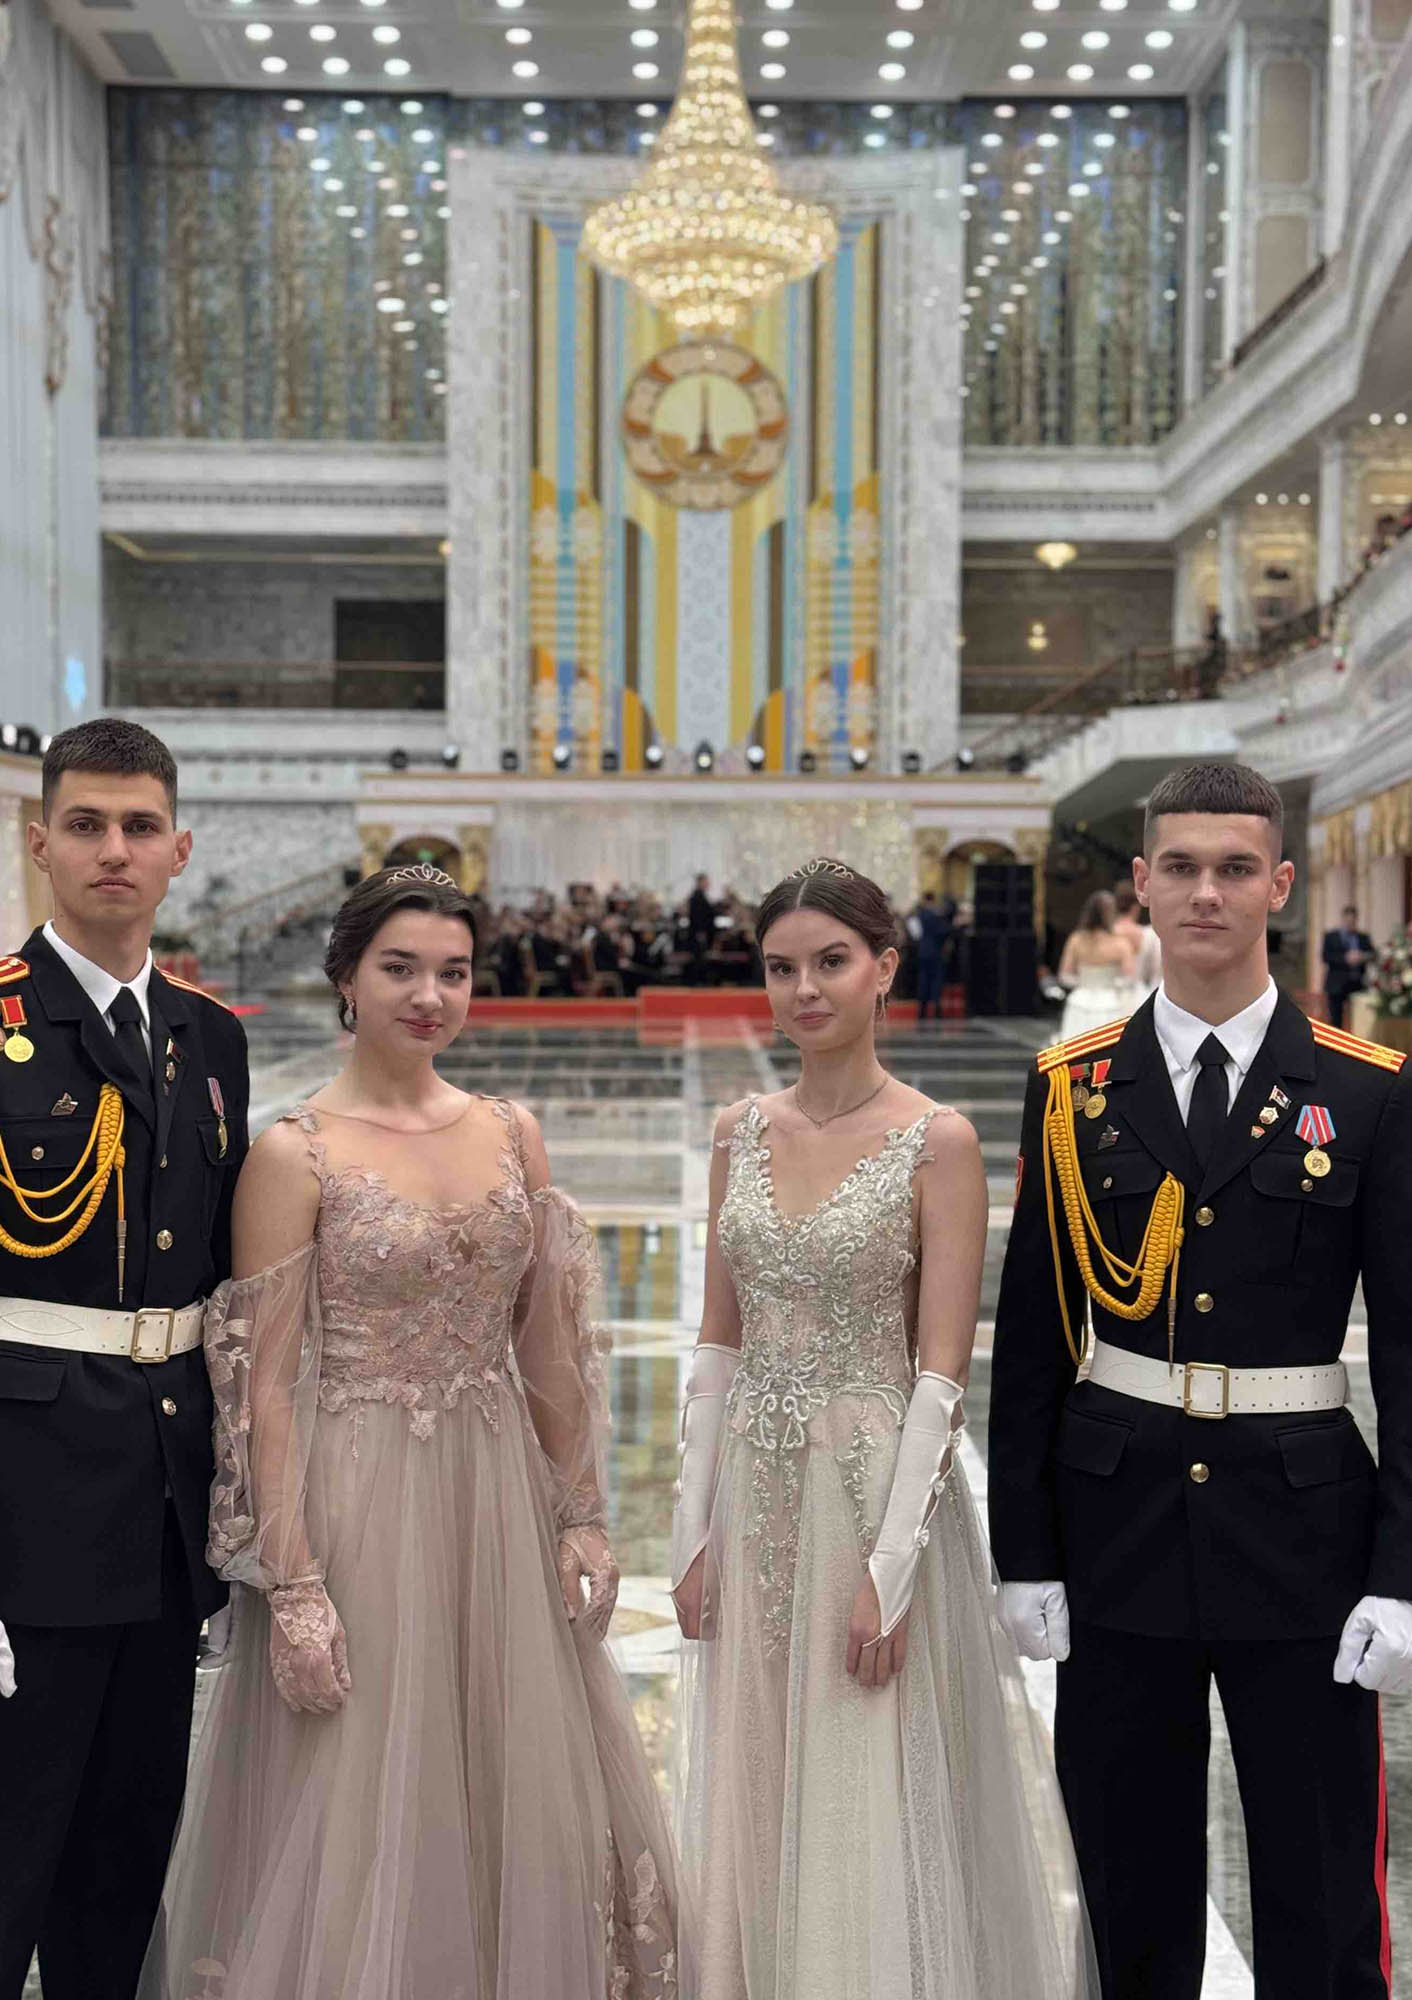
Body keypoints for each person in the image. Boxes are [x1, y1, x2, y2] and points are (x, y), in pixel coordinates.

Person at [149, 865, 679, 1997]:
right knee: (369, 1784)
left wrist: (582, 1512)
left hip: (497, 1496)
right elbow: (265, 1386)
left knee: (507, 1770)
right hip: (357, 1504)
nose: (430, 995)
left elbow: (548, 1343)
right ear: (347, 978)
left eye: (453, 971)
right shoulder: (295, 1152)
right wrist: (293, 1584)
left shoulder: (510, 1131)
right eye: (400, 968)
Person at [989, 761, 1412, 1999]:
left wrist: (1403, 1573)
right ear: (1141, 884)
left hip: (1308, 1535)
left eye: (1234, 867)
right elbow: (1034, 1337)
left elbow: (1408, 1350)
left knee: (1323, 1897)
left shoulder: (1368, 1089)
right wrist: (1026, 1551)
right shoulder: (1073, 1087)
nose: (1206, 892)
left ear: (1280, 883)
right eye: (1180, 866)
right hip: (1117, 1529)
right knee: (1130, 1892)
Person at [671, 855, 1096, 2000]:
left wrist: (892, 1566)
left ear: (884, 968)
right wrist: (690, 1531)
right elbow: (716, 1342)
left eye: (831, 960)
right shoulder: (738, 1131)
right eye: (781, 967)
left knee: (863, 1781)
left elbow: (941, 1373)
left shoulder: (936, 1140)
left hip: (872, 1502)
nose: (804, 988)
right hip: (758, 1494)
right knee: (760, 1775)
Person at [0, 718, 248, 2000]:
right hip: (12, 1540)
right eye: (88, 823)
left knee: (119, 1886)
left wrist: (234, 1531)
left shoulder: (208, 1037)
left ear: (179, 850)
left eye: (141, 825)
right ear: (37, 839)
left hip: (161, 1535)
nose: (116, 848)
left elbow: (222, 1302)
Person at [1056, 891, 1137, 1042]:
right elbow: (1129, 979)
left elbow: (1064, 976)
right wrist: (1113, 985)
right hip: (1109, 1004)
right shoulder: (1120, 944)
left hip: (1079, 1002)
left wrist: (1083, 983)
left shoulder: (1076, 940)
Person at [1322, 904, 1375, 1030]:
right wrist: (1345, 958)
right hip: (1337, 984)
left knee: (1360, 1018)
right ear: (1343, 919)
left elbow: (1373, 954)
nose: (1350, 923)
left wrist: (1362, 956)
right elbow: (1326, 957)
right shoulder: (1331, 937)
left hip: (1357, 983)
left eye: (1353, 921)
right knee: (1336, 1020)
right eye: (1348, 920)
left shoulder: (1363, 937)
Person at [1113, 881, 1162, 1002]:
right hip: (1138, 995)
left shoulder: (1106, 934)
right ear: (1135, 907)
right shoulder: (1149, 934)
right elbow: (1156, 969)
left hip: (1109, 997)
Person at [907, 888, 951, 1019]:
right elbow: (944, 932)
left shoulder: (918, 915)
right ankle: (936, 1009)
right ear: (933, 900)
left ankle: (922, 1010)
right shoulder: (937, 915)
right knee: (936, 980)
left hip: (923, 951)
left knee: (923, 980)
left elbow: (915, 934)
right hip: (936, 952)